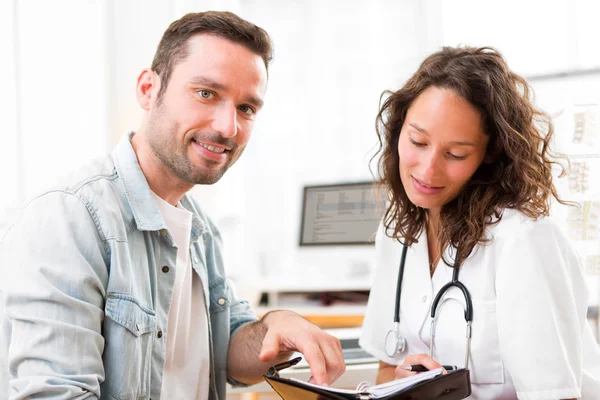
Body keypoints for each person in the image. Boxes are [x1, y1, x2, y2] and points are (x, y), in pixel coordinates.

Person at [0, 11, 345, 400]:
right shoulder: (70, 216)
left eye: (247, 108)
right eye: (206, 93)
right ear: (149, 89)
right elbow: (55, 394)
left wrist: (276, 326)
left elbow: (230, 352)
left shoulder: (200, 227)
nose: (228, 126)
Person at [359, 46, 600, 399]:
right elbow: (386, 368)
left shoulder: (525, 240)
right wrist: (403, 384)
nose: (427, 170)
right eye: (417, 141)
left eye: (455, 154)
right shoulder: (397, 234)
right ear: (398, 129)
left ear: (489, 154)